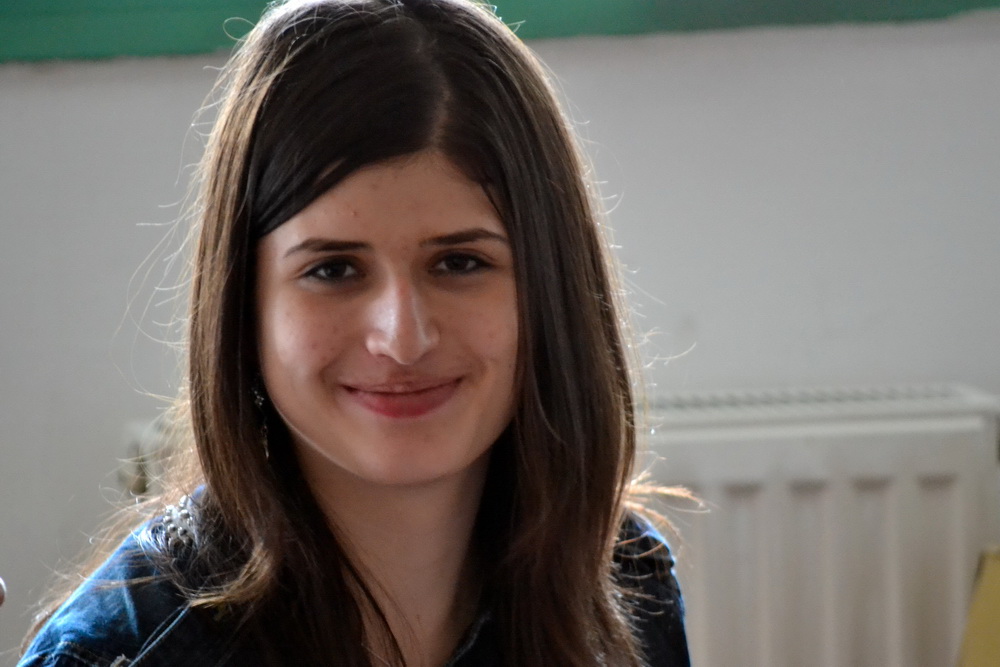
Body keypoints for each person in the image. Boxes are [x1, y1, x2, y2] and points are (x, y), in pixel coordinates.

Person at [19, 0, 690, 665]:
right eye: (334, 269)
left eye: (460, 262)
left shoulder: (627, 586)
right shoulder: (118, 655)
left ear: (552, 287)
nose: (403, 339)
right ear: (244, 304)